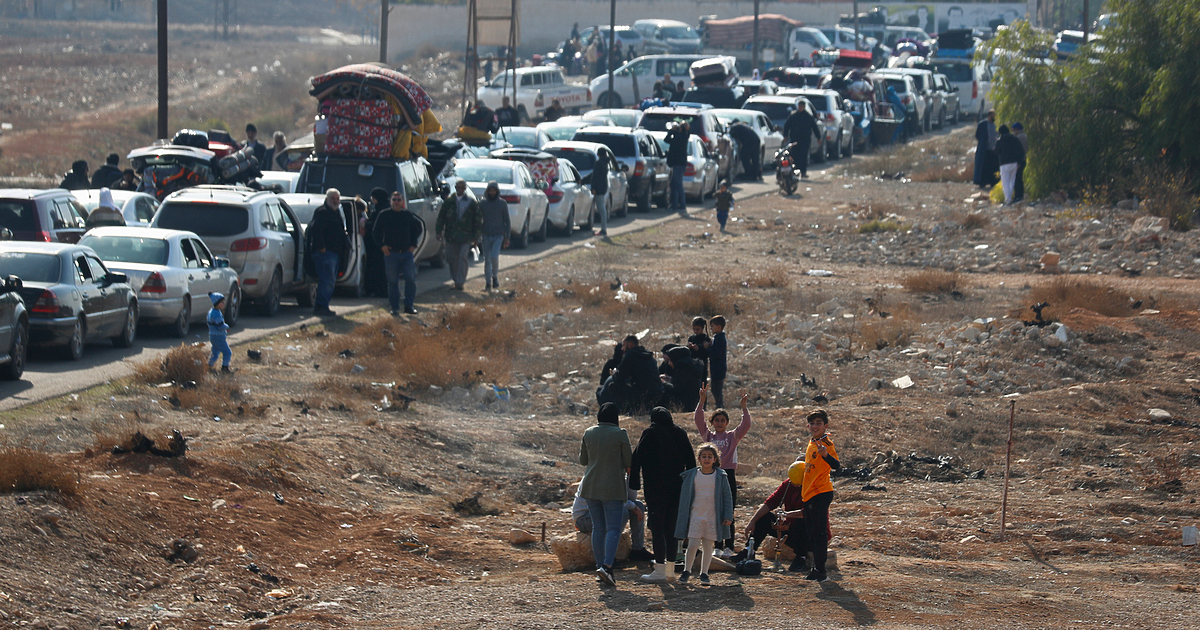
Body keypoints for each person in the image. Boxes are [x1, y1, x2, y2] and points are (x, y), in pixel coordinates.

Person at [631, 406, 696, 583]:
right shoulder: (680, 434)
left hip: (655, 490)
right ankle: (670, 571)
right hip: (677, 489)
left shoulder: (649, 433)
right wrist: (690, 489)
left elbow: (635, 460)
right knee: (672, 530)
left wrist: (634, 485)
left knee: (658, 529)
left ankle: (659, 569)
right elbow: (691, 463)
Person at [578, 402, 633, 586]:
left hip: (591, 486)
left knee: (598, 528)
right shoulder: (620, 434)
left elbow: (583, 460)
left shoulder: (589, 432)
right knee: (613, 529)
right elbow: (629, 461)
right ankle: (608, 567)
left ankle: (600, 565)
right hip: (612, 487)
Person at [695, 385, 751, 554]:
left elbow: (746, 424)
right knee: (715, 511)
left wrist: (744, 407)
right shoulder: (709, 437)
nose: (719, 423)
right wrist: (701, 402)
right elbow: (698, 420)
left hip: (728, 475)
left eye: (722, 421)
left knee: (729, 510)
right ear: (712, 423)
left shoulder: (732, 436)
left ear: (727, 423)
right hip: (713, 475)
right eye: (716, 420)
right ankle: (718, 546)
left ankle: (729, 546)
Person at [674, 443, 733, 585]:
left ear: (714, 459)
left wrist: (728, 515)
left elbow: (727, 496)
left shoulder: (720, 476)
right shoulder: (692, 474)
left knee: (708, 546)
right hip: (696, 514)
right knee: (693, 544)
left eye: (710, 456)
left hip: (712, 516)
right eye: (704, 456)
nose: (707, 459)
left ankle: (704, 573)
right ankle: (687, 570)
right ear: (699, 458)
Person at [736, 465, 808, 571]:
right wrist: (752, 521)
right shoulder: (788, 484)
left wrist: (786, 514)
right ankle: (749, 550)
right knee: (765, 516)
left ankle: (802, 557)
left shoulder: (813, 486)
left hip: (809, 534)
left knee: (801, 522)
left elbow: (809, 512)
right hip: (789, 529)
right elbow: (770, 502)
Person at [572, 475, 653, 562]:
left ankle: (637, 550)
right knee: (622, 512)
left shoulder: (618, 472)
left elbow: (631, 498)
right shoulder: (603, 472)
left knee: (639, 505)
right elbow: (612, 501)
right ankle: (608, 556)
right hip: (584, 518)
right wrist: (633, 506)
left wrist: (630, 476)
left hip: (602, 511)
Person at [799, 409, 839, 581]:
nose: (815, 426)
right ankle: (816, 568)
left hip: (821, 492)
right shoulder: (812, 442)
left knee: (820, 533)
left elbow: (836, 465)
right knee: (812, 533)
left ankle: (821, 571)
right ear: (808, 425)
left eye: (819, 423)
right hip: (809, 493)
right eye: (812, 423)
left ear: (825, 426)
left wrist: (826, 455)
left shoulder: (826, 444)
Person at [374, 190, 424, 315]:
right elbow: (376, 232)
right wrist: (382, 246)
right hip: (391, 254)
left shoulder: (407, 214)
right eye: (394, 200)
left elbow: (417, 228)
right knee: (393, 282)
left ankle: (409, 306)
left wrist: (413, 244)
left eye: (399, 200)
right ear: (390, 201)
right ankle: (395, 308)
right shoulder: (384, 214)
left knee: (411, 279)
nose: (396, 202)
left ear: (402, 201)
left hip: (406, 253)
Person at [306, 189, 351, 316]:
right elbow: (316, 230)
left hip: (335, 254)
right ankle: (321, 306)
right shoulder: (322, 212)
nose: (335, 201)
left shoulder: (336, 213)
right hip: (325, 254)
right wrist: (321, 247)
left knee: (330, 281)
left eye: (337, 199)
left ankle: (323, 306)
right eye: (333, 198)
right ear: (327, 199)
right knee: (326, 281)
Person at [596, 334, 663, 415]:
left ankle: (630, 409)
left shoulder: (630, 355)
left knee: (614, 386)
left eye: (623, 345)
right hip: (657, 392)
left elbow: (620, 378)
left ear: (630, 345)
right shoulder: (648, 355)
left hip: (642, 393)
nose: (622, 348)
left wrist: (614, 373)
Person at [435, 179, 482, 291]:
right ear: (455, 188)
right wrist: (439, 231)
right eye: (458, 188)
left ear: (465, 188)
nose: (460, 190)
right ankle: (456, 279)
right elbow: (441, 217)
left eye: (462, 188)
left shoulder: (471, 203)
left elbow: (478, 220)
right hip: (451, 236)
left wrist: (476, 236)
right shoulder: (449, 201)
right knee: (452, 259)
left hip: (466, 236)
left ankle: (460, 282)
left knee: (462, 258)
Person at [478, 181, 510, 291]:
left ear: (497, 191)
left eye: (494, 191)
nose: (492, 193)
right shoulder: (483, 204)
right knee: (487, 259)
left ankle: (495, 276)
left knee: (494, 256)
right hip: (486, 235)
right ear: (487, 191)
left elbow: (507, 221)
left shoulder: (502, 204)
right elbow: (478, 219)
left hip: (498, 235)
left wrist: (507, 237)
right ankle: (488, 283)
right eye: (490, 190)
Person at [362, 188, 390, 299]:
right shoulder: (380, 209)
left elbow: (378, 226)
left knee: (379, 269)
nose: (373, 201)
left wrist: (366, 224)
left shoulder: (384, 210)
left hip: (379, 245)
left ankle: (380, 291)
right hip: (376, 244)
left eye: (374, 199)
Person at [783, 105, 822, 179]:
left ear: (804, 107)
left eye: (802, 107)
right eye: (799, 107)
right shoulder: (794, 116)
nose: (800, 108)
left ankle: (803, 172)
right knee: (795, 156)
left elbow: (814, 127)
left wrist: (818, 137)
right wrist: (785, 136)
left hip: (805, 140)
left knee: (803, 156)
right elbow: (787, 125)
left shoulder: (808, 116)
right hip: (795, 139)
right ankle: (794, 171)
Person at [663, 345, 703, 411]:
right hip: (693, 402)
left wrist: (663, 383)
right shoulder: (691, 367)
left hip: (685, 404)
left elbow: (676, 389)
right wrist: (669, 379)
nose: (669, 363)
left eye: (670, 360)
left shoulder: (681, 370)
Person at [995, 124, 1025, 206]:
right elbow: (1021, 151)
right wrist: (1019, 162)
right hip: (1014, 163)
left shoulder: (1000, 140)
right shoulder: (1015, 139)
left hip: (1004, 164)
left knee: (1005, 182)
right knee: (1012, 182)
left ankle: (1008, 200)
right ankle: (1010, 198)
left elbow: (996, 152)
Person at [665, 121, 690, 214]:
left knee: (678, 184)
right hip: (680, 164)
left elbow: (666, 139)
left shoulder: (679, 138)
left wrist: (672, 131)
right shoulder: (685, 136)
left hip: (678, 164)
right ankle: (675, 204)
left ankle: (682, 204)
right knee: (673, 184)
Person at [207, 292, 232, 373]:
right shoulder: (216, 314)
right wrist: (227, 327)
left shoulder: (211, 311)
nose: (223, 303)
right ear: (217, 303)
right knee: (227, 352)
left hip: (212, 336)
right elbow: (220, 325)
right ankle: (225, 367)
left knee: (215, 353)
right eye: (222, 302)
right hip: (218, 337)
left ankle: (208, 366)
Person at [973, 110, 998, 188]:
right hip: (984, 150)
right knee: (983, 167)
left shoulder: (997, 124)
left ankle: (993, 182)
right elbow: (977, 135)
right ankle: (982, 182)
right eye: (993, 116)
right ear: (989, 116)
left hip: (994, 151)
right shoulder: (982, 124)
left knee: (993, 167)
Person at [708, 315, 728, 407]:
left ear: (719, 327)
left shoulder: (720, 339)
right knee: (715, 389)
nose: (711, 328)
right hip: (716, 368)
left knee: (716, 389)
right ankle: (719, 405)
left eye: (712, 326)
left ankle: (720, 406)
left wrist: (708, 347)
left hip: (719, 369)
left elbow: (716, 354)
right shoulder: (717, 338)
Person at [591, 146, 610, 237]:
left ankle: (603, 229)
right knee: (601, 208)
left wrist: (594, 188)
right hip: (603, 188)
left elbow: (595, 177)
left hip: (598, 189)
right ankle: (602, 228)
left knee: (601, 209)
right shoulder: (605, 163)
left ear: (598, 154)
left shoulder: (599, 163)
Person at [687, 316, 710, 384]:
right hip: (692, 365)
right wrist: (688, 347)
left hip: (702, 366)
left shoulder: (705, 339)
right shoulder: (691, 338)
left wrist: (699, 349)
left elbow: (707, 354)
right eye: (694, 329)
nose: (695, 331)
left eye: (698, 329)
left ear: (702, 328)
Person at [1012, 122, 1028, 203]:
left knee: (1017, 179)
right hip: (1023, 160)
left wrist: (1017, 162)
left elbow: (1018, 151)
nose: (1013, 132)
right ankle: (1020, 196)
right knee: (1019, 178)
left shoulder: (1019, 137)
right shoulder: (1024, 136)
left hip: (1019, 161)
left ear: (1017, 129)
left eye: (1014, 130)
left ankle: (1018, 196)